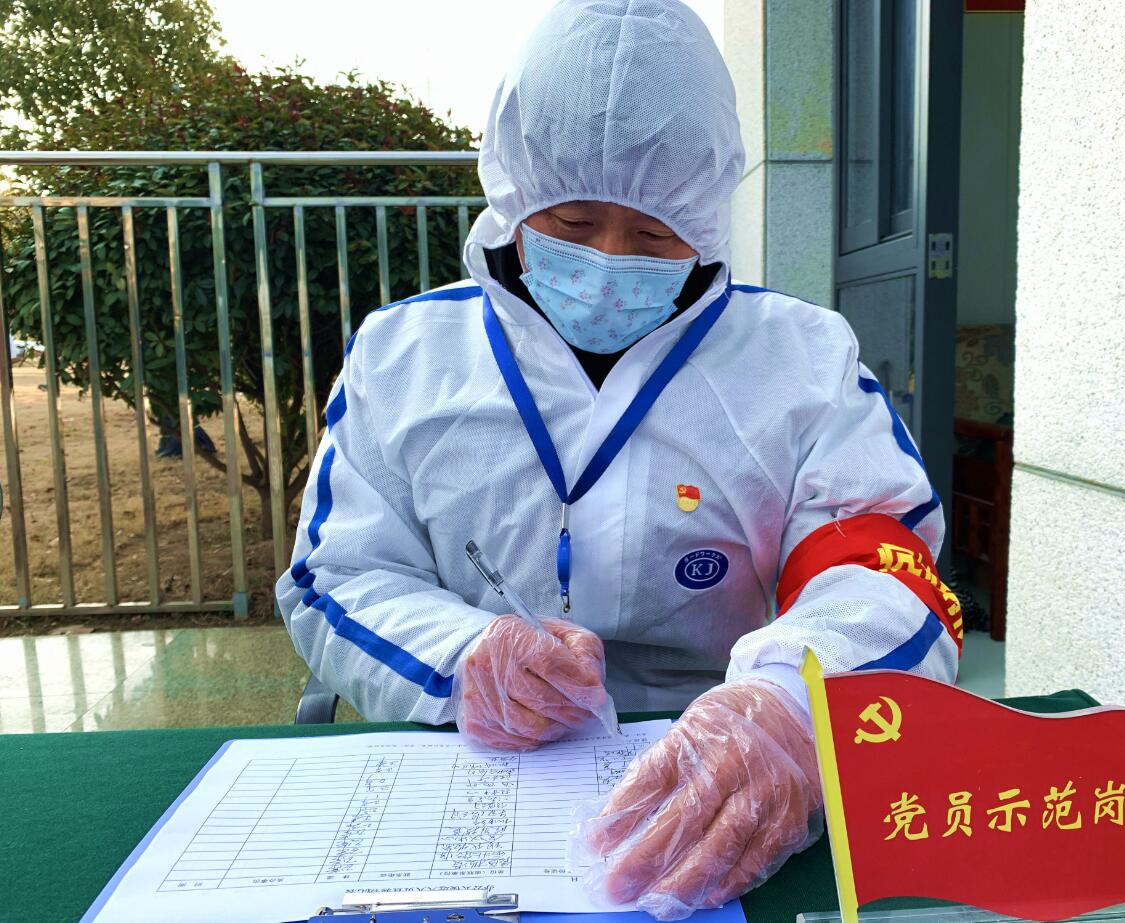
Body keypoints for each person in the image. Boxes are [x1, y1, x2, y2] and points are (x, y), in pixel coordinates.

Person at [277, 0, 961, 918]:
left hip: (730, 778)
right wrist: (463, 655)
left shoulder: (797, 359)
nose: (607, 260)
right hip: (474, 767)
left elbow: (880, 561)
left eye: (651, 235)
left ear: (705, 217)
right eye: (572, 220)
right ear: (513, 193)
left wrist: (794, 705)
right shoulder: (406, 356)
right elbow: (338, 574)